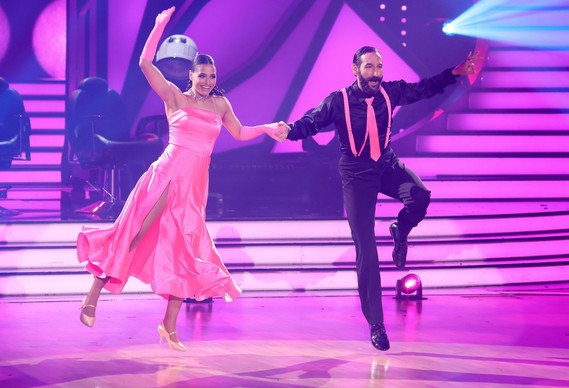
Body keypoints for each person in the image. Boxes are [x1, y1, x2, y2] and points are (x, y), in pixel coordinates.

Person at [77, 6, 287, 352]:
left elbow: (240, 132)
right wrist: (158, 27)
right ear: (190, 75)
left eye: (212, 76)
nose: (207, 81)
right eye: (201, 75)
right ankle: (94, 294)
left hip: (194, 188)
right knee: (131, 236)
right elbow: (145, 64)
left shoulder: (221, 105)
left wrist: (266, 127)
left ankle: (168, 325)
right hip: (165, 178)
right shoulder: (174, 96)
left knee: (184, 253)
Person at [281, 46, 479, 351]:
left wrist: (454, 73)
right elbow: (311, 123)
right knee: (367, 250)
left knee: (420, 196)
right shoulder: (339, 101)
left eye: (379, 67)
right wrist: (290, 130)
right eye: (369, 68)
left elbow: (423, 89)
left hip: (386, 164)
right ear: (355, 69)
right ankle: (377, 323)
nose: (375, 73)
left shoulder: (390, 92)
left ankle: (400, 231)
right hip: (356, 173)